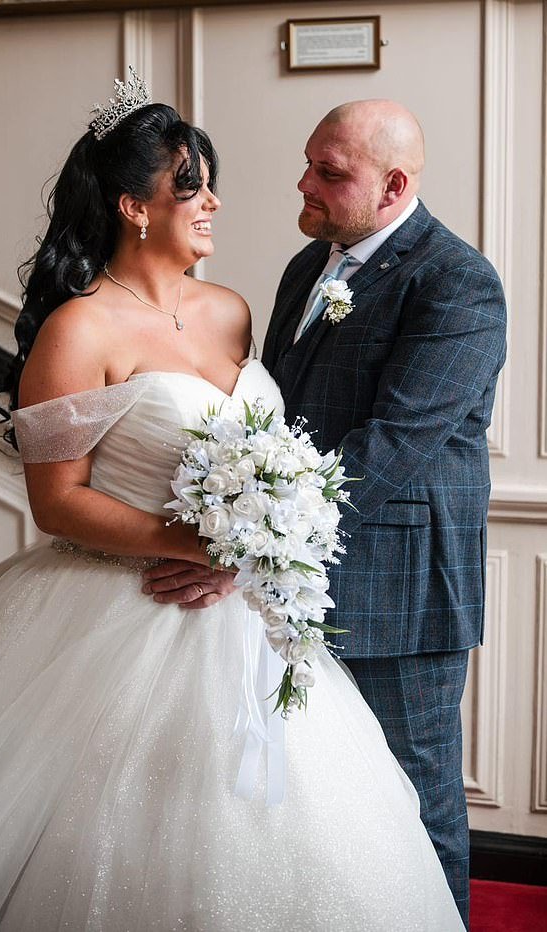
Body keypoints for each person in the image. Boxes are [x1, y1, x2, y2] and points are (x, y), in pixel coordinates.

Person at [0, 77, 464, 931]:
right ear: (134, 208)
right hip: (124, 607)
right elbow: (57, 503)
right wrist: (203, 547)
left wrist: (255, 547)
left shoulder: (233, 311)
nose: (214, 202)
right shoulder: (79, 329)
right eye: (191, 187)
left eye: (210, 184)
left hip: (250, 613)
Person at [145, 99, 507, 928]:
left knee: (415, 804)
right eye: (309, 162)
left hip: (398, 594)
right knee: (327, 807)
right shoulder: (308, 266)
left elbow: (392, 447)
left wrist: (250, 547)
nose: (303, 183)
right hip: (287, 583)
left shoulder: (457, 282)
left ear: (394, 186)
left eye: (329, 172)